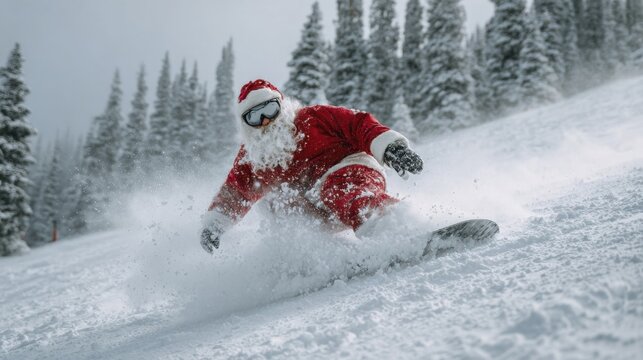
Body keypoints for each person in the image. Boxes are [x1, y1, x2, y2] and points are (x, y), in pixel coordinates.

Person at [200, 79, 423, 253]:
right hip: (315, 202)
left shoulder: (312, 118)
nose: (266, 121)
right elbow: (237, 190)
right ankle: (322, 260)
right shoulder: (252, 156)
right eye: (255, 117)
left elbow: (358, 124)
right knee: (278, 206)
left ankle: (392, 228)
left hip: (350, 171)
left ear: (281, 105)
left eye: (269, 110)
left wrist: (391, 147)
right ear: (247, 124)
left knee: (337, 190)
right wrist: (216, 223)